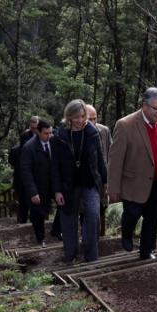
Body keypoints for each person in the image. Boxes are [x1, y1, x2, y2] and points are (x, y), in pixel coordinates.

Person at [107, 88, 157, 260]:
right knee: (132, 214)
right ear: (144, 105)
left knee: (152, 218)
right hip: (133, 182)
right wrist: (113, 188)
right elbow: (115, 159)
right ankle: (127, 233)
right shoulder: (125, 125)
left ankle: (146, 252)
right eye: (156, 109)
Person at [51, 100, 109, 263]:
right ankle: (71, 256)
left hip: (90, 182)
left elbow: (100, 160)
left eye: (83, 116)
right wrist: (57, 191)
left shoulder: (92, 132)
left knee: (92, 214)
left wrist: (105, 182)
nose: (81, 120)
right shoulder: (59, 136)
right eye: (76, 117)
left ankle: (91, 256)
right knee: (69, 220)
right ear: (68, 117)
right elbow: (54, 166)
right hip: (67, 185)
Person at [18, 118, 55, 245]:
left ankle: (56, 230)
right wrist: (33, 192)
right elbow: (25, 171)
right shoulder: (29, 147)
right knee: (38, 214)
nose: (49, 136)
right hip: (38, 185)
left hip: (53, 183)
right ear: (38, 132)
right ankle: (41, 238)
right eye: (46, 133)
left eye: (51, 132)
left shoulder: (54, 142)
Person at [86, 104, 112, 237]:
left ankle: (101, 237)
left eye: (95, 119)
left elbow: (110, 152)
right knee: (87, 210)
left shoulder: (104, 130)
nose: (93, 122)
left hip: (102, 177)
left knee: (102, 207)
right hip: (87, 179)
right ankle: (89, 237)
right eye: (89, 119)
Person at [9, 127, 36, 224]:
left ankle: (22, 220)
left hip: (19, 180)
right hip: (31, 179)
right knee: (32, 201)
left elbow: (11, 162)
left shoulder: (14, 150)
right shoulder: (32, 150)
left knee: (22, 202)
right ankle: (32, 221)